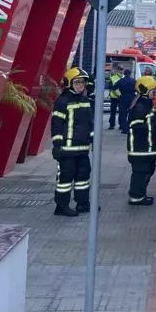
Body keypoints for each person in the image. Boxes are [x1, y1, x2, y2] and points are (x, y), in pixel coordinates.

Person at [50, 67, 95, 217]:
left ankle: (82, 203)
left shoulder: (85, 100)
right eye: (77, 82)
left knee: (83, 177)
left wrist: (93, 138)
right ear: (69, 83)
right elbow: (56, 125)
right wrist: (57, 145)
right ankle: (61, 206)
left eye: (82, 82)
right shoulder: (62, 101)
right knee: (65, 179)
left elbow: (90, 123)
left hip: (82, 148)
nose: (80, 85)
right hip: (67, 149)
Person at [127, 74, 156, 206]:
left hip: (146, 147)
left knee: (148, 170)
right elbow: (136, 126)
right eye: (154, 90)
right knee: (140, 172)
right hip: (140, 148)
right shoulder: (140, 106)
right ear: (145, 90)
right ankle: (136, 197)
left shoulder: (145, 104)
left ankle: (140, 194)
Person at [114, 68, 136, 134]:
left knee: (123, 114)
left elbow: (114, 88)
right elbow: (138, 89)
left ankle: (124, 129)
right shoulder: (134, 81)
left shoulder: (121, 80)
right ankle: (130, 128)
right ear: (130, 73)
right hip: (132, 98)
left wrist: (119, 94)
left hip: (123, 98)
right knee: (131, 114)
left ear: (124, 74)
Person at [108, 65, 123, 130]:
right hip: (114, 97)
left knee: (121, 112)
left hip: (121, 97)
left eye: (122, 69)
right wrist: (118, 95)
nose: (121, 71)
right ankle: (112, 125)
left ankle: (121, 125)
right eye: (119, 69)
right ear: (117, 70)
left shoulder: (123, 78)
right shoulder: (112, 78)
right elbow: (111, 88)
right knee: (113, 112)